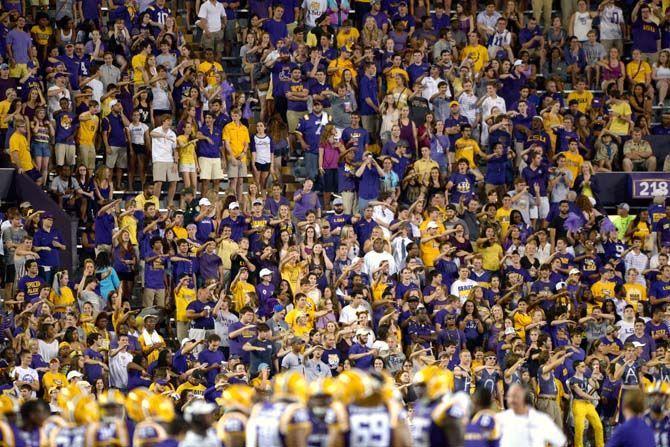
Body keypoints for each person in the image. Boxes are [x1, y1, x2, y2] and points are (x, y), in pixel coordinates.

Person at [497, 384, 567, 447]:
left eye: (516, 396)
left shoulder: (541, 420)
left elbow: (560, 441)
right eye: (509, 396)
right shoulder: (500, 419)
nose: (511, 400)